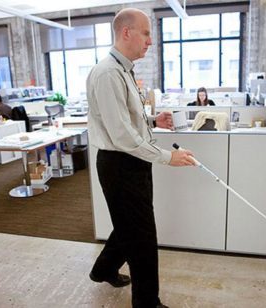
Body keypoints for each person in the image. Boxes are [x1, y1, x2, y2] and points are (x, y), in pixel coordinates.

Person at [86, 8, 195, 308]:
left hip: (130, 161)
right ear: (126, 33)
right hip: (120, 163)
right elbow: (121, 136)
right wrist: (166, 157)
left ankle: (103, 269)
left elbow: (125, 118)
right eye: (146, 33)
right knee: (142, 235)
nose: (150, 41)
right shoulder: (109, 72)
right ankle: (147, 303)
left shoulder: (123, 69)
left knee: (129, 225)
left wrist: (151, 120)